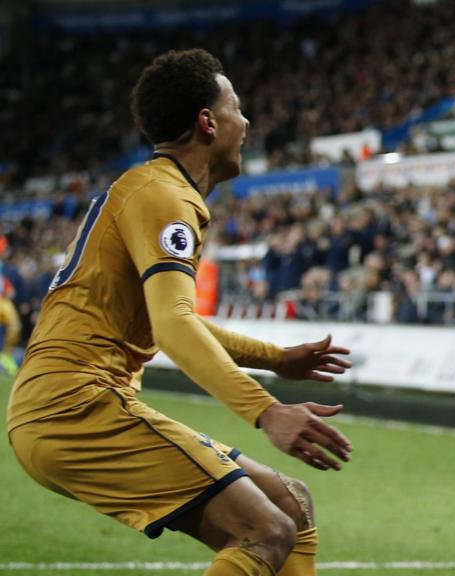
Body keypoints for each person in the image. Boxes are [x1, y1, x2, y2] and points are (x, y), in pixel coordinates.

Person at [6, 49, 354, 576]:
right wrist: (267, 410)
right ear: (208, 122)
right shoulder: (165, 195)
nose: (248, 121)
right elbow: (174, 325)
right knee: (264, 530)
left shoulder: (150, 190)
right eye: (236, 107)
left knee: (290, 505)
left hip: (59, 408)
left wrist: (275, 357)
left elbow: (167, 314)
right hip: (75, 405)